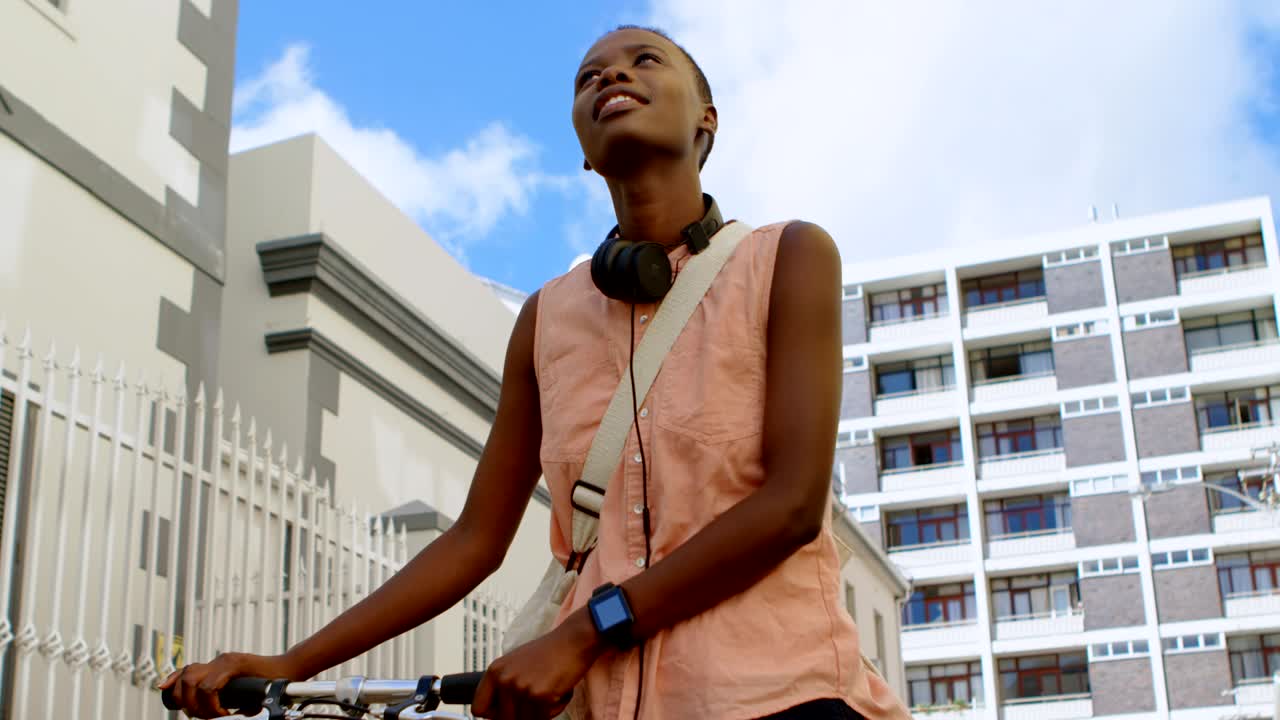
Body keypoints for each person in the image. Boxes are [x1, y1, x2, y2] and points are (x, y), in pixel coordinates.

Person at [160, 25, 911, 720]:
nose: (611, 74)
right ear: (583, 149)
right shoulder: (546, 317)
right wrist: (290, 664)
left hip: (786, 696)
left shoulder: (790, 258)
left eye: (645, 60)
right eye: (589, 76)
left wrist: (584, 632)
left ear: (705, 121)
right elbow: (473, 540)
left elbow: (791, 506)